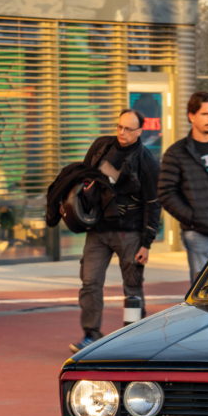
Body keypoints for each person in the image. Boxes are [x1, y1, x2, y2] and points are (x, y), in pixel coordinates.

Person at [70, 109, 161, 353]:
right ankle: (91, 335)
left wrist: (146, 243)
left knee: (132, 287)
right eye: (119, 127)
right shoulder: (101, 146)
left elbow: (153, 203)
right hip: (98, 230)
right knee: (90, 282)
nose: (122, 132)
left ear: (140, 131)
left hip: (130, 233)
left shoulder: (147, 160)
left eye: (128, 129)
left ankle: (134, 340)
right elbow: (83, 175)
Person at [158, 91, 208, 282]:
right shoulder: (177, 153)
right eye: (205, 114)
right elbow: (166, 192)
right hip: (198, 232)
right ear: (191, 116)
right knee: (203, 285)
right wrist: (192, 218)